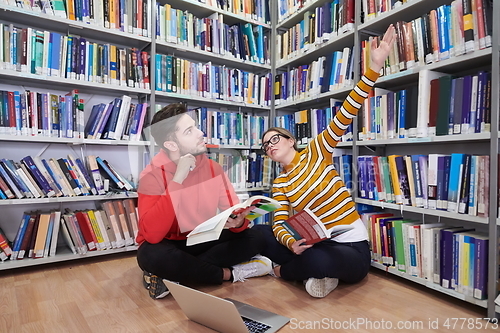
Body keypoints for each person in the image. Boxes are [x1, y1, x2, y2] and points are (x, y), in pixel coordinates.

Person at [253, 25, 397, 298]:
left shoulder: (318, 149)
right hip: (315, 244)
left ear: (290, 140)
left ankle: (283, 271)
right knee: (260, 233)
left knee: (316, 262)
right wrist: (291, 241)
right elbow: (280, 220)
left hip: (349, 247)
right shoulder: (281, 182)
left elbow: (347, 111)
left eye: (274, 139)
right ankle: (310, 272)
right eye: (264, 145)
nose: (269, 146)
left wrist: (373, 69)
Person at [136, 103, 272, 299]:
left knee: (260, 235)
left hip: (201, 237)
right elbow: (153, 235)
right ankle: (229, 274)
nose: (201, 133)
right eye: (190, 131)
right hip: (168, 244)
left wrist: (239, 222)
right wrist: (177, 181)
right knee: (149, 255)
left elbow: (234, 210)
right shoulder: (150, 175)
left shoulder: (213, 168)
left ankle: (174, 275)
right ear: (172, 145)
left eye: (196, 126)